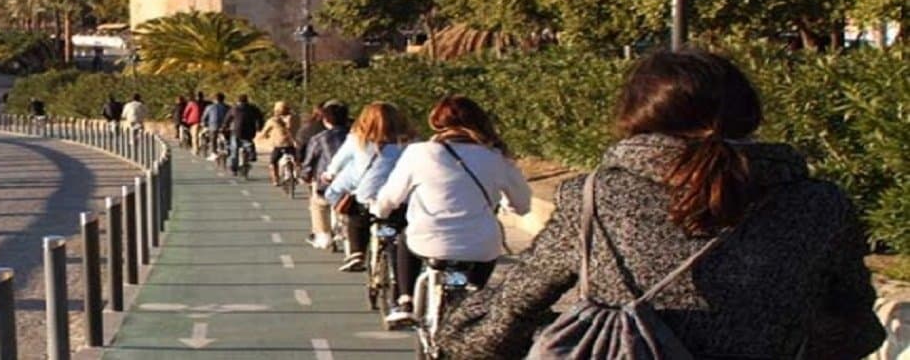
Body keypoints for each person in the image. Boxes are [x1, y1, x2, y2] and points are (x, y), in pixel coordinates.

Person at [435, 49, 886, 360]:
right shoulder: (819, 204)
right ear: (749, 114)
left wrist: (466, 335)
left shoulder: (597, 197)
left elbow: (512, 308)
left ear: (635, 116)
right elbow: (855, 327)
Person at [372, 95, 531, 324]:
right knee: (478, 287)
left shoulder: (419, 153)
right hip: (480, 246)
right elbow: (523, 204)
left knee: (405, 238)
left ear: (437, 122)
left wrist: (380, 211)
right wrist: (509, 204)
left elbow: (390, 197)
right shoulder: (496, 157)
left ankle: (405, 300)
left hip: (427, 240)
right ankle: (475, 302)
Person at [324, 102, 414, 273]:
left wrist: (330, 173)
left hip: (368, 197)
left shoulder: (358, 140)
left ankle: (357, 252)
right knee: (402, 225)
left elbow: (338, 161)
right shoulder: (410, 142)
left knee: (356, 217)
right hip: (401, 198)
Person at [300, 101, 350, 249]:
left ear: (326, 120)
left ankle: (323, 234)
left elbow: (309, 162)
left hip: (326, 182)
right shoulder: (356, 137)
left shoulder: (319, 138)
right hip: (352, 182)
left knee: (318, 204)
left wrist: (305, 176)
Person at [222, 94, 264, 177]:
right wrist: (259, 127)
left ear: (238, 101)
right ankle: (252, 154)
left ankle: (234, 168)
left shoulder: (234, 108)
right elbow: (260, 117)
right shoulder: (253, 108)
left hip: (236, 132)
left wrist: (224, 127)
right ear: (247, 100)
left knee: (234, 150)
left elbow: (227, 119)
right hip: (249, 132)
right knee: (248, 143)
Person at [259, 101, 299, 186]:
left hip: (279, 145)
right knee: (297, 160)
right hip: (292, 144)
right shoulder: (295, 118)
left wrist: (262, 137)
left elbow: (264, 132)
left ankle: (276, 180)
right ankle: (298, 175)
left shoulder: (272, 120)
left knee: (273, 162)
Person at [200, 93, 229, 161]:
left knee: (212, 139)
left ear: (214, 99)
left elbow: (204, 117)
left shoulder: (209, 107)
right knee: (228, 138)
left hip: (213, 126)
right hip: (224, 127)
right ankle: (228, 149)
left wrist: (203, 123)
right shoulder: (227, 107)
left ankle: (213, 153)